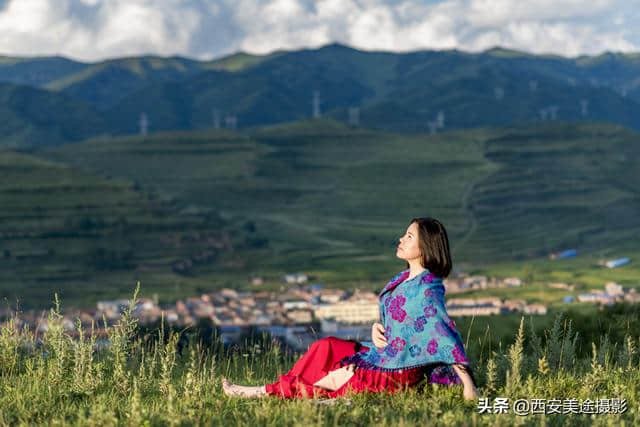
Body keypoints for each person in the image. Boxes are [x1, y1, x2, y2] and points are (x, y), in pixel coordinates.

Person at [222, 217, 479, 400]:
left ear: (426, 246)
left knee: (337, 378)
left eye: (409, 236)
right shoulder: (402, 280)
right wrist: (378, 328)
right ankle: (285, 387)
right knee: (326, 346)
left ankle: (260, 392)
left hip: (398, 369)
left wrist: (468, 385)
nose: (401, 239)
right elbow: (403, 323)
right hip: (383, 355)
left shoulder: (428, 288)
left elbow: (444, 334)